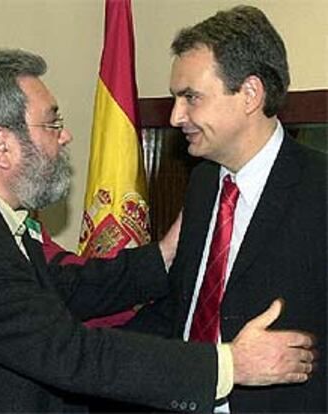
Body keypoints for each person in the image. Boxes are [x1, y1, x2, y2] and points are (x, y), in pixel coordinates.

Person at [0, 48, 315, 413]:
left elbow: (61, 290)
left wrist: (161, 257)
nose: (65, 135)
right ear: (2, 146)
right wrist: (230, 364)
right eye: (52, 123)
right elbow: (70, 353)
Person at [124, 5, 327, 413]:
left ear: (250, 94)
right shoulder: (203, 183)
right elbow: (185, 305)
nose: (177, 116)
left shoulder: (319, 190)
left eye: (191, 98)